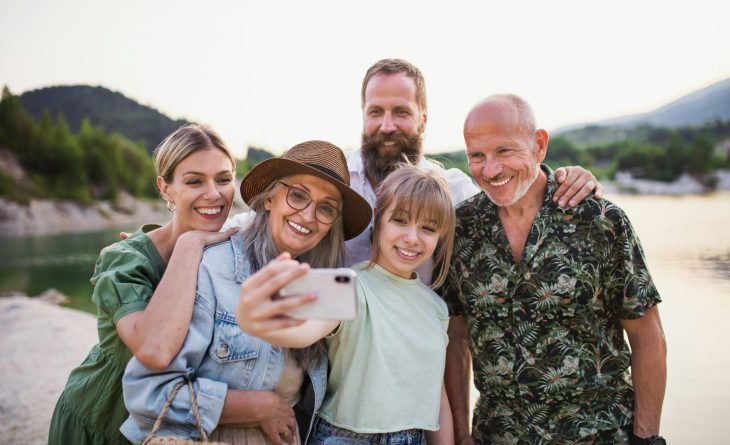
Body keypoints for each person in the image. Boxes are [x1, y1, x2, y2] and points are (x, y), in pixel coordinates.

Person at [227, 58, 602, 276]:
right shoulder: (335, 180)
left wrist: (565, 178)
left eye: (401, 112)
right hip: (331, 351)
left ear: (423, 119)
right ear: (363, 116)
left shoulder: (452, 190)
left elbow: (511, 192)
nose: (387, 126)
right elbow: (266, 218)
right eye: (376, 112)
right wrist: (192, 235)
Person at [441, 94, 667, 444]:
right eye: (477, 155)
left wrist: (647, 437)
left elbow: (647, 335)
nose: (490, 169)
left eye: (504, 151)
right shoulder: (461, 229)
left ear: (539, 145)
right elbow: (455, 340)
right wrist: (461, 433)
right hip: (496, 436)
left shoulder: (600, 222)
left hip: (601, 434)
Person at [120, 140, 373, 445]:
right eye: (297, 196)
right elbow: (148, 394)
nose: (307, 216)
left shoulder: (326, 286)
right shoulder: (213, 268)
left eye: (326, 208)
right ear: (270, 199)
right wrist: (256, 406)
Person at [238, 165, 458, 445]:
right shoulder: (349, 285)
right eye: (400, 221)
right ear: (379, 220)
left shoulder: (435, 308)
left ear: (441, 235)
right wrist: (254, 321)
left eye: (428, 228)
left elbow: (436, 396)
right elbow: (304, 332)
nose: (412, 238)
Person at [48, 124, 240, 445]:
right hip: (102, 421)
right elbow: (155, 350)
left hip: (174, 426)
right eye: (194, 181)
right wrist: (189, 245)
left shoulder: (227, 247)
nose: (213, 194)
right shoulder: (125, 260)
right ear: (165, 188)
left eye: (223, 179)